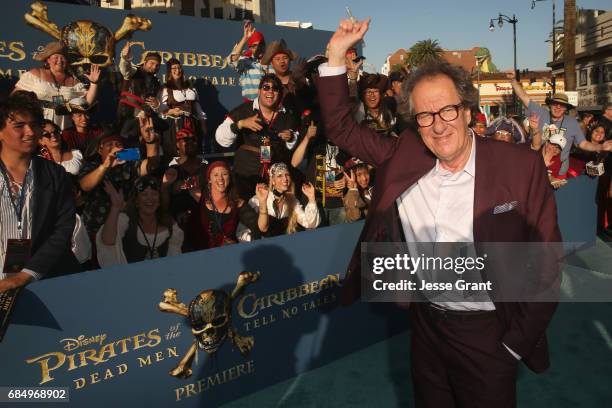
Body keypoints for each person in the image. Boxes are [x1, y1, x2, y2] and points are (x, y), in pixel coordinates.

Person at [317, 18, 561, 408]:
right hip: (426, 328)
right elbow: (341, 128)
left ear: (466, 111)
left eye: (447, 111)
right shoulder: (404, 155)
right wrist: (335, 55)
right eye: (425, 116)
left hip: (489, 333)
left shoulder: (520, 165)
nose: (438, 125)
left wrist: (513, 345)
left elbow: (547, 260)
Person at [0, 93, 80, 292]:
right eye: (19, 126)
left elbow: (63, 228)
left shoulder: (54, 174)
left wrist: (26, 274)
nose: (30, 132)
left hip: (42, 281)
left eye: (34, 125)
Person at [508, 72, 612, 176]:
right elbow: (524, 97)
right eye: (555, 104)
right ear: (550, 105)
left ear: (566, 109)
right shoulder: (541, 113)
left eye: (562, 105)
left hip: (559, 171)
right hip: (536, 166)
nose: (558, 107)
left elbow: (583, 144)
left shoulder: (572, 123)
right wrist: (513, 80)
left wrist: (601, 147)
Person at [215, 74, 299, 200]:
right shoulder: (242, 111)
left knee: (273, 216)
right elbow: (220, 138)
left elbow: (295, 145)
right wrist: (240, 124)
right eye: (266, 87)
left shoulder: (286, 116)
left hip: (275, 180)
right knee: (248, 216)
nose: (270, 91)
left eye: (275, 88)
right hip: (245, 177)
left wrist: (291, 137)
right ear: (259, 91)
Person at [78, 117, 160, 237]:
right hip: (94, 229)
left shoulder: (129, 165)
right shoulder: (91, 166)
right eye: (109, 145)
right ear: (100, 151)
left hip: (123, 229)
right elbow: (85, 186)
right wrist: (105, 166)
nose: (114, 148)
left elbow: (151, 166)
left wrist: (150, 142)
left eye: (118, 144)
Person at [96, 176, 183, 266]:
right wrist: (115, 207)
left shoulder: (169, 224)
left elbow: (174, 262)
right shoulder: (125, 220)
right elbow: (108, 242)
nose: (150, 198)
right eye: (144, 194)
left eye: (154, 194)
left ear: (159, 201)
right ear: (137, 201)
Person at [12, 42, 100, 130]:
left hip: (65, 126)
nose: (59, 60)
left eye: (63, 58)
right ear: (48, 60)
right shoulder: (35, 74)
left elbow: (87, 103)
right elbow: (15, 98)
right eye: (56, 57)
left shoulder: (74, 82)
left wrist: (94, 83)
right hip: (38, 124)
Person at [185, 161, 259, 250]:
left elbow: (258, 227)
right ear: (209, 179)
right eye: (216, 175)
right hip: (199, 255)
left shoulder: (237, 203)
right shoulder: (198, 199)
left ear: (229, 178)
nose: (220, 178)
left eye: (224, 174)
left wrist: (262, 204)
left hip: (227, 254)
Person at [239, 162, 319, 240]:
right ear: (273, 181)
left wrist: (311, 199)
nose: (285, 179)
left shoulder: (292, 200)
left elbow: (310, 224)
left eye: (287, 175)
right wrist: (254, 240)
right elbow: (241, 231)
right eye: (279, 176)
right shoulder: (257, 200)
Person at [160, 128, 207, 237]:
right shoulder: (169, 168)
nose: (190, 142)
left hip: (204, 223)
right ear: (177, 144)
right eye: (185, 139)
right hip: (177, 227)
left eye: (193, 139)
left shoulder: (207, 166)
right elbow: (163, 206)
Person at [159, 58, 207, 159]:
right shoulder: (166, 89)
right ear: (169, 71)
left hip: (192, 122)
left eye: (179, 67)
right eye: (174, 68)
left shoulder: (190, 87)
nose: (177, 70)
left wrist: (203, 125)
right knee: (178, 151)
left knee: (193, 151)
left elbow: (198, 108)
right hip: (176, 124)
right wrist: (172, 111)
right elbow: (162, 110)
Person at [117, 42, 163, 141]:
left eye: (157, 65)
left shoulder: (156, 83)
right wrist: (125, 57)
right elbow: (125, 68)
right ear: (145, 62)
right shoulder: (134, 71)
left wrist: (156, 105)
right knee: (126, 146)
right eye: (152, 63)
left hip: (145, 121)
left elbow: (157, 106)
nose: (154, 67)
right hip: (127, 117)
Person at [229, 21, 266, 101]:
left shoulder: (272, 63)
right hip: (250, 108)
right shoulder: (245, 62)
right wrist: (245, 38)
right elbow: (232, 61)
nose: (258, 48)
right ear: (250, 48)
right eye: (254, 45)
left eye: (261, 44)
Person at [354, 73, 398, 138]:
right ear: (363, 95)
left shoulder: (389, 112)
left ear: (381, 95)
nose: (372, 95)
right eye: (368, 91)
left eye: (376, 91)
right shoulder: (357, 113)